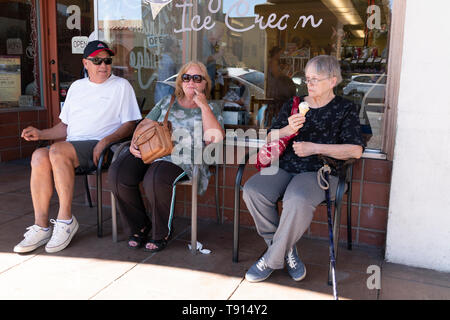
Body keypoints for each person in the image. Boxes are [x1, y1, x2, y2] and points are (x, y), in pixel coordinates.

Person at [243, 55, 364, 282]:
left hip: (321, 170)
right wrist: (287, 129)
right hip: (286, 166)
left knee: (297, 198)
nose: (309, 84)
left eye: (315, 79)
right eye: (307, 78)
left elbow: (355, 150)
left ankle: (270, 259)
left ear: (333, 81)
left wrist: (314, 148)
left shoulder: (345, 109)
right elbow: (271, 135)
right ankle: (286, 250)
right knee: (253, 190)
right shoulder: (294, 104)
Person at [13, 40, 142, 254]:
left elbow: (130, 124)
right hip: (70, 148)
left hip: (102, 148)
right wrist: (41, 134)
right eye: (97, 61)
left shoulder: (121, 86)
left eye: (107, 61)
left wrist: (106, 141)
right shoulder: (77, 87)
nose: (103, 65)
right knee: (38, 155)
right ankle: (41, 226)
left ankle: (65, 220)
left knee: (57, 150)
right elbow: (65, 126)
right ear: (85, 63)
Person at [108, 61, 224, 252]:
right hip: (155, 150)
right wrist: (135, 142)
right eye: (186, 78)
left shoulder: (211, 107)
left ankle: (161, 232)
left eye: (197, 78)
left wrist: (203, 107)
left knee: (155, 177)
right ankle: (140, 225)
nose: (191, 82)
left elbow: (215, 139)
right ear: (180, 81)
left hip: (185, 158)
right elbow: (144, 125)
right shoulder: (167, 101)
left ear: (205, 83)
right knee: (118, 173)